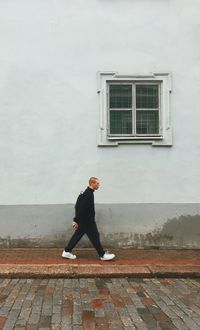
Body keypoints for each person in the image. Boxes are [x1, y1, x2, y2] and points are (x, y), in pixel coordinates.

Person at [62, 177, 115, 261]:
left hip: (85, 221)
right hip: (87, 221)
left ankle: (66, 251)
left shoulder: (88, 193)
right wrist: (75, 220)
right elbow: (79, 207)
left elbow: (78, 206)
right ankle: (102, 255)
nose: (99, 185)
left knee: (78, 236)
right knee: (95, 237)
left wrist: (76, 220)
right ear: (92, 183)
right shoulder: (87, 194)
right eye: (97, 183)